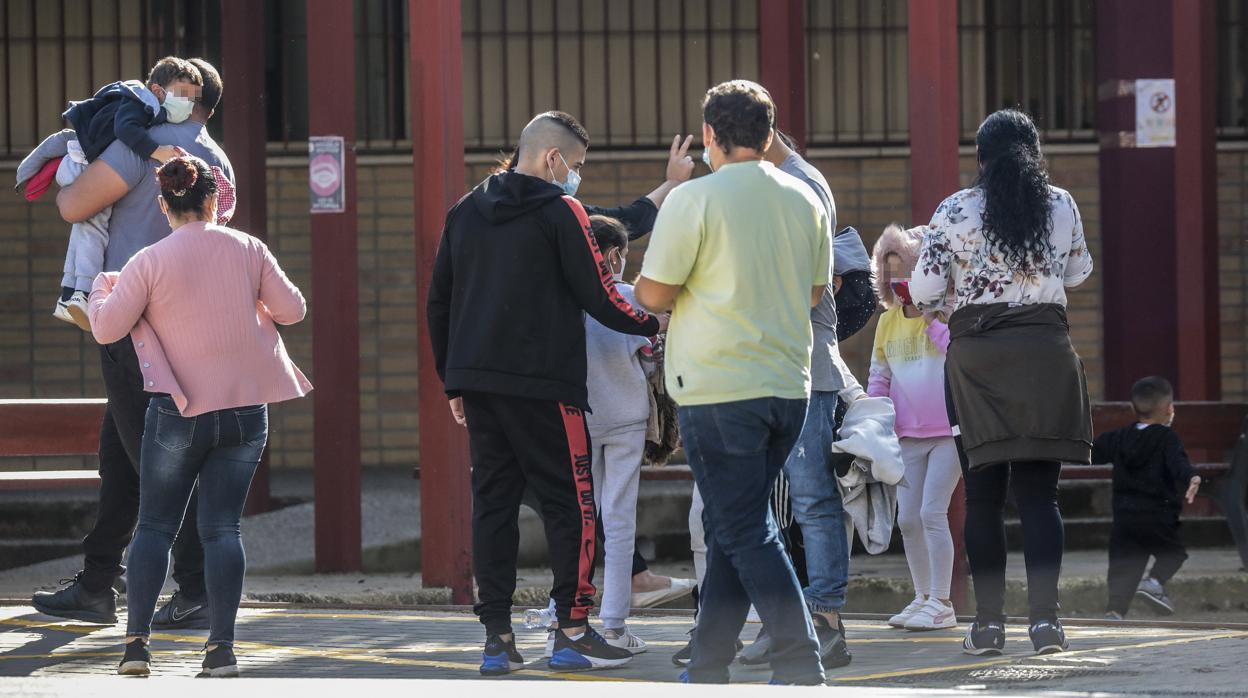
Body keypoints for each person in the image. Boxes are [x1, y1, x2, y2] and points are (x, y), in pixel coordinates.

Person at [427, 110, 664, 675]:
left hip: (479, 382)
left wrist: (452, 380)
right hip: (546, 386)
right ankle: (573, 630)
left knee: (494, 505)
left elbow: (440, 300)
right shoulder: (563, 212)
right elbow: (599, 294)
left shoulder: (464, 212)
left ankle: (497, 640)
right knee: (573, 505)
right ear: (553, 159)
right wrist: (655, 322)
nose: (577, 176)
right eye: (576, 165)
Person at [636, 80, 830, 685]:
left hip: (719, 388)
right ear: (770, 136)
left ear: (711, 137)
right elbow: (817, 292)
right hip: (787, 385)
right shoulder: (806, 199)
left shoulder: (693, 200)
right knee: (732, 523)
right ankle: (708, 661)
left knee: (744, 526)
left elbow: (652, 293)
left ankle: (801, 661)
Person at [32, 57, 233, 632]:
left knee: (158, 461)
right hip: (188, 324)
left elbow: (72, 205)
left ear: (170, 96)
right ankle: (98, 581)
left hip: (134, 322)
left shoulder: (145, 146)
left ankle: (196, 588)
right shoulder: (218, 159)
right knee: (120, 456)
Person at [89, 155, 310, 678]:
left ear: (164, 205)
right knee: (222, 529)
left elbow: (106, 328)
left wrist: (102, 287)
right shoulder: (249, 248)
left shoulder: (148, 261)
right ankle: (221, 651)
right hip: (242, 413)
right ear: (214, 201)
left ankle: (137, 648)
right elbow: (294, 310)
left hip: (178, 413)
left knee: (157, 526)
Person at [911, 108, 1094, 657]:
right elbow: (1078, 273)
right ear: (1035, 154)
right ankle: (1046, 626)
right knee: (1041, 497)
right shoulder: (1061, 204)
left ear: (981, 160)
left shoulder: (955, 209)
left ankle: (988, 627)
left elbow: (924, 292)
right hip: (1046, 356)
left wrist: (951, 298)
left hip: (979, 363)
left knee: (985, 497)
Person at [734, 128, 858, 670]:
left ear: (759, 140)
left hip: (805, 363)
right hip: (769, 364)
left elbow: (801, 281)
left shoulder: (803, 183)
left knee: (811, 499)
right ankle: (787, 623)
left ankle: (825, 619)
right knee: (770, 506)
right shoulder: (778, 180)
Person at [14, 56, 204, 330]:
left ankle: (71, 293)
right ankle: (82, 293)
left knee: (86, 228)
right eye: (182, 94)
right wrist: (156, 152)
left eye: (191, 98)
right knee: (94, 226)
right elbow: (125, 129)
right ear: (158, 91)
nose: (186, 102)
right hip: (80, 165)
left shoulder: (148, 109)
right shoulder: (140, 104)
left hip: (81, 161)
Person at [868, 224, 960, 631]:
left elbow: (959, 357)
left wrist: (932, 319)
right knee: (907, 519)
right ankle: (923, 596)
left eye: (903, 270)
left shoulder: (945, 314)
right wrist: (874, 422)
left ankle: (942, 600)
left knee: (931, 512)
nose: (896, 281)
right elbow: (879, 377)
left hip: (948, 432)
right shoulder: (886, 322)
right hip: (906, 434)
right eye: (889, 274)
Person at [583, 215, 658, 653]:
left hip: (583, 419)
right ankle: (614, 622)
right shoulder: (628, 298)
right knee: (618, 517)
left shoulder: (569, 299)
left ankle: (569, 612)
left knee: (581, 518)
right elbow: (650, 361)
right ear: (614, 255)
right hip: (627, 418)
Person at [1094, 376, 1200, 619]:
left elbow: (1092, 450)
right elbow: (1178, 464)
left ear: (1133, 408)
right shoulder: (1167, 438)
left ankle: (1115, 610)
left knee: (1122, 565)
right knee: (1174, 553)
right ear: (1169, 408)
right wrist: (1192, 477)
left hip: (1125, 517)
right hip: (1158, 514)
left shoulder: (1120, 437)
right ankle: (1153, 583)